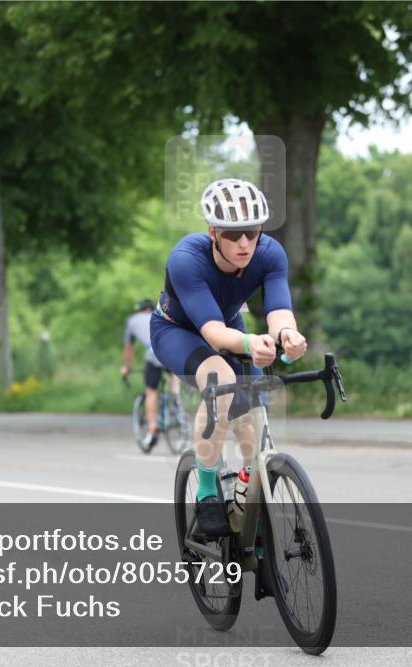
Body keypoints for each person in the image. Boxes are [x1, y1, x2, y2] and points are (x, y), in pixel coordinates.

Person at [151, 178, 307, 536]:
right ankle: (207, 490)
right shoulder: (186, 259)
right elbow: (213, 334)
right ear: (213, 232)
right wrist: (252, 343)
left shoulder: (270, 253)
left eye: (252, 233)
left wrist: (287, 335)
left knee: (251, 419)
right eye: (233, 234)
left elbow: (279, 309)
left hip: (231, 326)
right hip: (179, 331)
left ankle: (245, 499)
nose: (244, 243)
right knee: (220, 381)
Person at [122, 299, 169, 450]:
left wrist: (127, 368)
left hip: (154, 352)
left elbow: (128, 348)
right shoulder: (160, 314)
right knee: (173, 377)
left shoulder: (132, 321)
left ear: (139, 310)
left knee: (151, 390)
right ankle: (176, 403)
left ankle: (152, 429)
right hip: (172, 348)